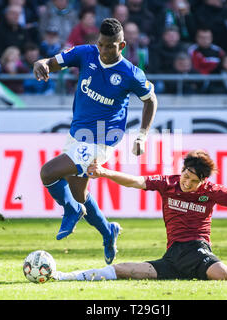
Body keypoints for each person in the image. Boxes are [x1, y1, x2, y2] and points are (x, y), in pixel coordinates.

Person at [51, 150, 227, 282]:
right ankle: (64, 276)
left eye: (191, 180)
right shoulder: (168, 182)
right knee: (125, 270)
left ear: (203, 181)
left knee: (225, 276)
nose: (185, 183)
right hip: (173, 255)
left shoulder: (213, 192)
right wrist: (107, 173)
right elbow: (136, 181)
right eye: (184, 176)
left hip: (198, 248)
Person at [32, 18, 157, 265]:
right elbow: (53, 63)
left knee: (48, 173)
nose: (103, 50)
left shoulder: (131, 74)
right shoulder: (85, 53)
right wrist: (42, 63)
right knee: (79, 194)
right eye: (100, 44)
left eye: (109, 46)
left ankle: (71, 211)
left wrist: (142, 134)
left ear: (121, 46)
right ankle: (108, 231)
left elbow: (150, 100)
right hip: (78, 133)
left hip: (102, 138)